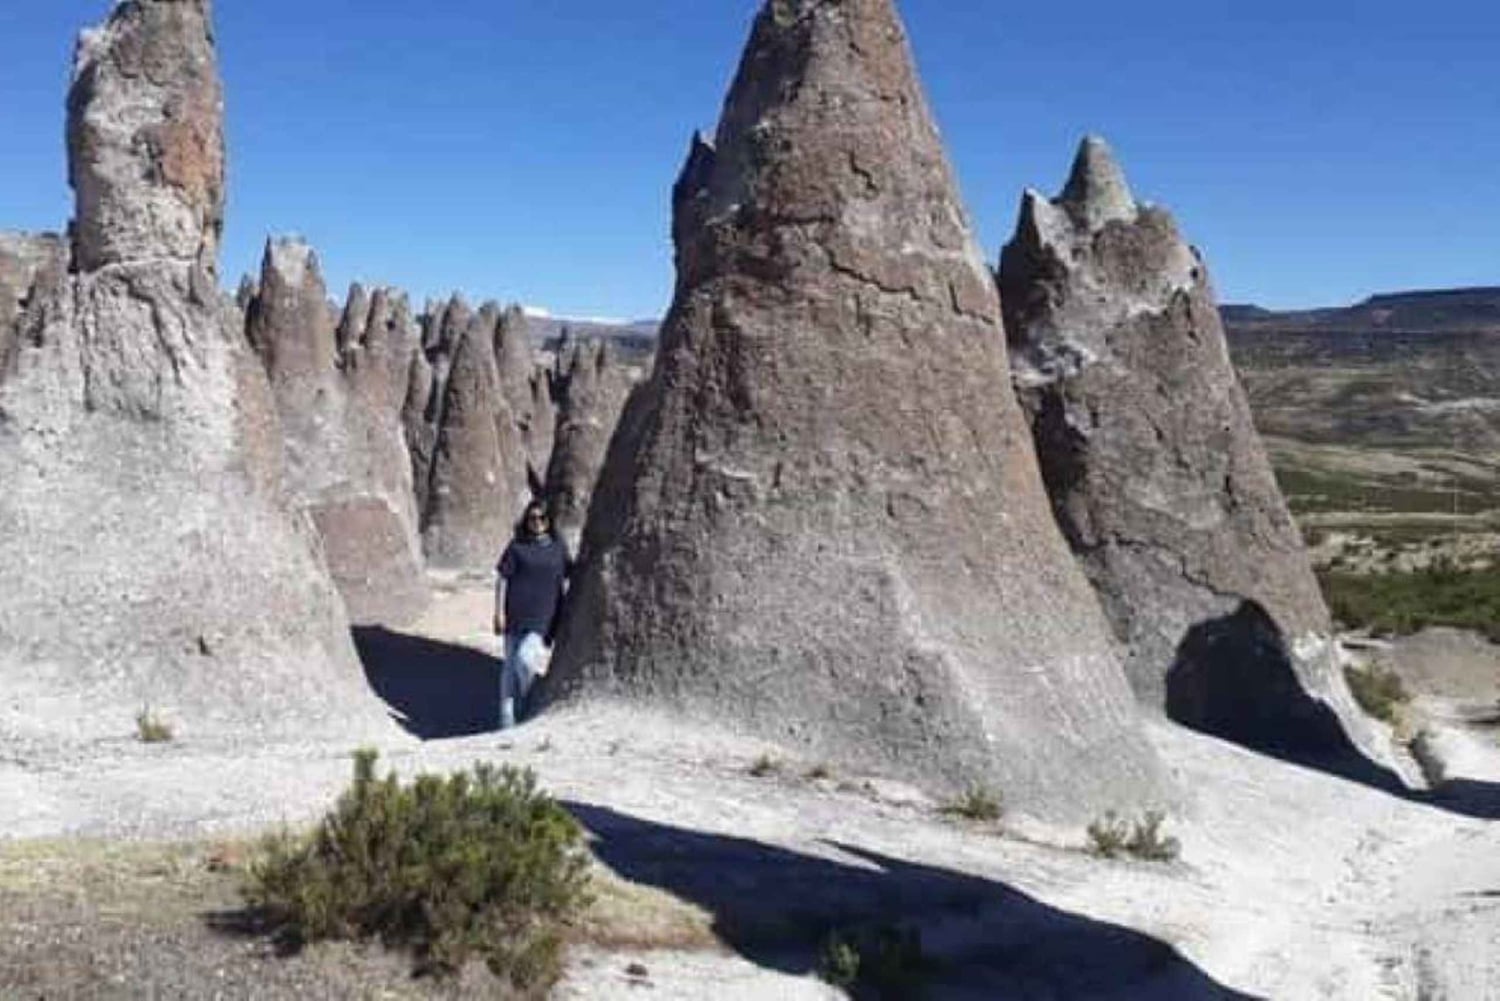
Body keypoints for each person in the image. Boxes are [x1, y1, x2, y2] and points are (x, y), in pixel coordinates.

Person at [494, 499, 571, 730]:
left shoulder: (558, 548)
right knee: (509, 667)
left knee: (525, 659)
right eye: (532, 518)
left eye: (541, 518)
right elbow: (502, 579)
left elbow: (570, 574)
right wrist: (498, 612)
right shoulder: (517, 547)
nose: (537, 523)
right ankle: (506, 718)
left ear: (549, 522)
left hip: (543, 615)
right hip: (515, 612)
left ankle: (529, 697)